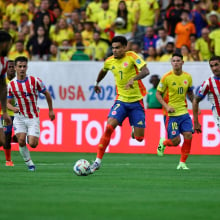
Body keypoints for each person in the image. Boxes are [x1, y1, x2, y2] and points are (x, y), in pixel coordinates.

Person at [88, 36, 150, 174]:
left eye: (117, 48)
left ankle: (135, 130)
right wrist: (97, 83)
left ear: (125, 47)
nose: (114, 50)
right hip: (121, 101)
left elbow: (146, 71)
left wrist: (133, 78)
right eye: (113, 48)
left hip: (136, 102)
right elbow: (103, 70)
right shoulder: (109, 61)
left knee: (139, 138)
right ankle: (97, 161)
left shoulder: (132, 56)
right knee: (109, 127)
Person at [7, 56, 55, 171]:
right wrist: (12, 108)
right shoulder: (11, 85)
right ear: (15, 68)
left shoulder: (35, 81)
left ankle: (26, 136)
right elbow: (6, 102)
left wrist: (51, 110)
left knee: (33, 144)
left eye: (24, 66)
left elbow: (47, 94)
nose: (22, 69)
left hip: (33, 117)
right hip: (19, 117)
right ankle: (30, 164)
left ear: (27, 67)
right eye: (20, 66)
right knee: (21, 141)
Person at [156, 53, 194, 170]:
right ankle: (164, 143)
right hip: (170, 114)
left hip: (183, 112)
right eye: (174, 61)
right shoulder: (166, 77)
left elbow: (190, 94)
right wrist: (167, 107)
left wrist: (195, 106)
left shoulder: (188, 77)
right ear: (171, 63)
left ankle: (182, 163)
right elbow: (158, 94)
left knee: (188, 135)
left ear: (182, 62)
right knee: (176, 141)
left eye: (178, 60)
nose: (176, 63)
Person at [193, 56, 220, 132]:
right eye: (211, 66)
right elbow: (195, 100)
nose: (214, 68)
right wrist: (196, 122)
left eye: (216, 65)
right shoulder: (208, 83)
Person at [1, 60, 17, 167]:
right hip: (5, 113)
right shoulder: (3, 82)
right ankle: (8, 161)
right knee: (6, 137)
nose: (11, 68)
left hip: (18, 113)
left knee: (20, 137)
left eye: (12, 67)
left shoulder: (19, 81)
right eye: (9, 67)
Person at [0, 31, 13, 165]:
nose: (10, 48)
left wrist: (4, 112)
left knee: (2, 140)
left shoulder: (3, 62)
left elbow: (3, 87)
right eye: (9, 45)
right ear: (3, 44)